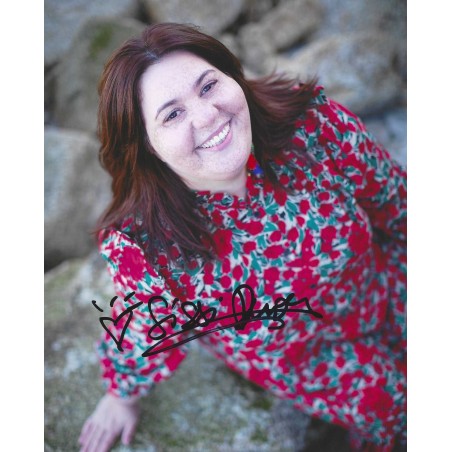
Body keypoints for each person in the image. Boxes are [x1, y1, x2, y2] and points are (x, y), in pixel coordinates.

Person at [78, 23, 407, 452]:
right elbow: (147, 330)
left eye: (208, 86)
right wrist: (120, 396)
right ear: (148, 145)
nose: (207, 115)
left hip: (378, 285)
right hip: (304, 355)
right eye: (172, 114)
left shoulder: (313, 127)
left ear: (233, 76)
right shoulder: (147, 247)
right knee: (395, 404)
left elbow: (394, 201)